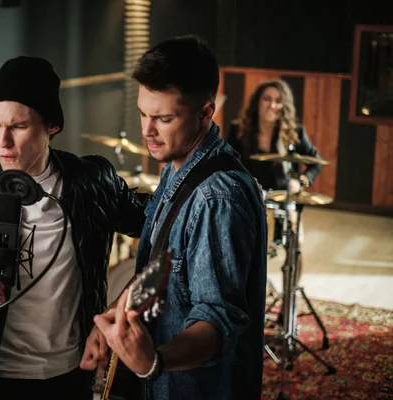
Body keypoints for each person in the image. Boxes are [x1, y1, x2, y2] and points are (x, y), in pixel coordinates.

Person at [0, 56, 147, 400]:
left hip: (71, 372)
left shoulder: (93, 182)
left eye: (18, 127)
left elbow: (155, 223)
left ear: (51, 125)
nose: (2, 141)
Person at [82, 35, 268, 400]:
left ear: (205, 113)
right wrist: (114, 319)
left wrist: (153, 362)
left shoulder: (218, 198)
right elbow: (160, 269)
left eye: (163, 118)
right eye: (142, 114)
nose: (147, 131)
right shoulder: (176, 165)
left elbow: (217, 321)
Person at [227, 79, 323, 281]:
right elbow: (226, 164)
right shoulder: (238, 130)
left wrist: (303, 180)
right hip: (249, 198)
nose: (272, 105)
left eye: (278, 101)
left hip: (282, 199)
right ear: (257, 102)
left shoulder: (294, 133)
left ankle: (290, 301)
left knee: (297, 244)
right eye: (267, 99)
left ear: (284, 106)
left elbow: (316, 162)